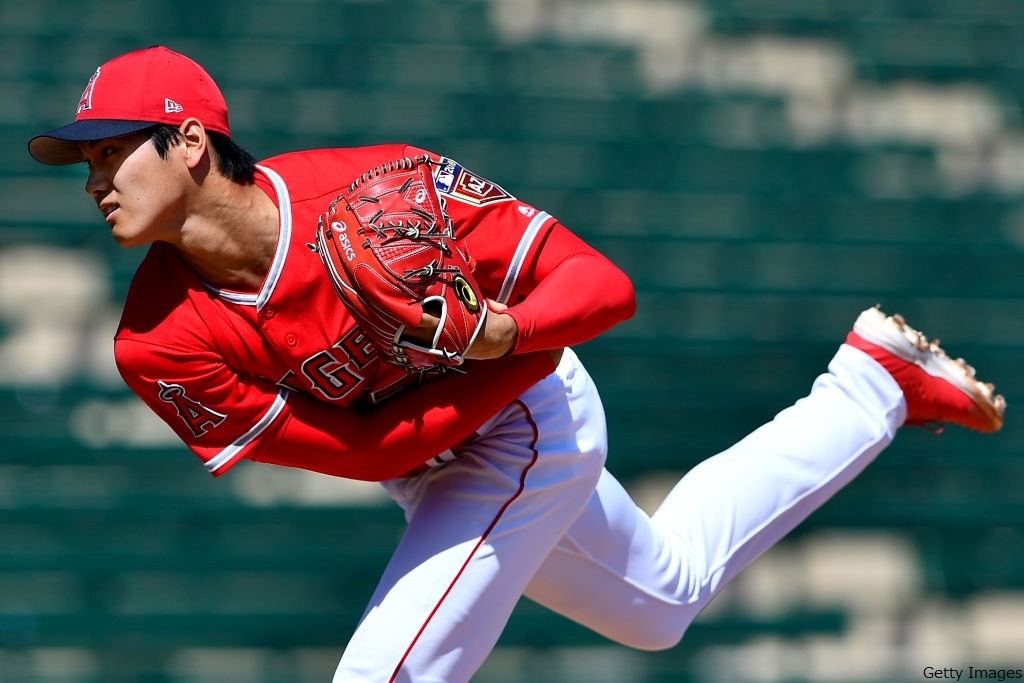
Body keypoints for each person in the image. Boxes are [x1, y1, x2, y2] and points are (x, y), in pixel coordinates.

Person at [28, 46, 1005, 683]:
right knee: (661, 601)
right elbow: (366, 453)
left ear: (191, 140)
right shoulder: (155, 340)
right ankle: (873, 382)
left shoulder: (382, 189)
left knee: (387, 674)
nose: (95, 179)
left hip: (528, 418)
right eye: (84, 162)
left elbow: (603, 283)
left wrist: (506, 338)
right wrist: (488, 356)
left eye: (111, 150)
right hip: (424, 452)